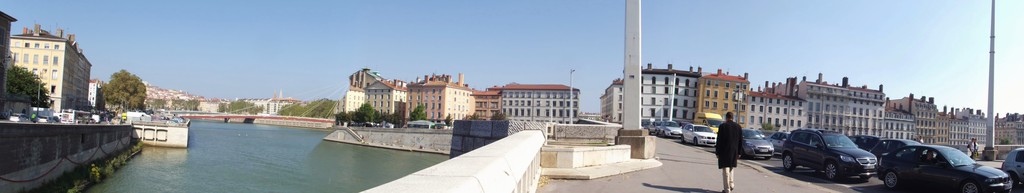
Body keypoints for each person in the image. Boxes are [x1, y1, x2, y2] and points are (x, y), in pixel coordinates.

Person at [715, 112, 744, 193]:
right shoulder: (738, 127)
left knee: (725, 171)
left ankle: (727, 190)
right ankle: (731, 184)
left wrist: (717, 152)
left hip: (724, 151)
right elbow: (740, 140)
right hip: (734, 151)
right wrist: (739, 152)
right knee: (731, 168)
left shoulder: (722, 126)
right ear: (732, 117)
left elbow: (719, 140)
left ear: (726, 118)